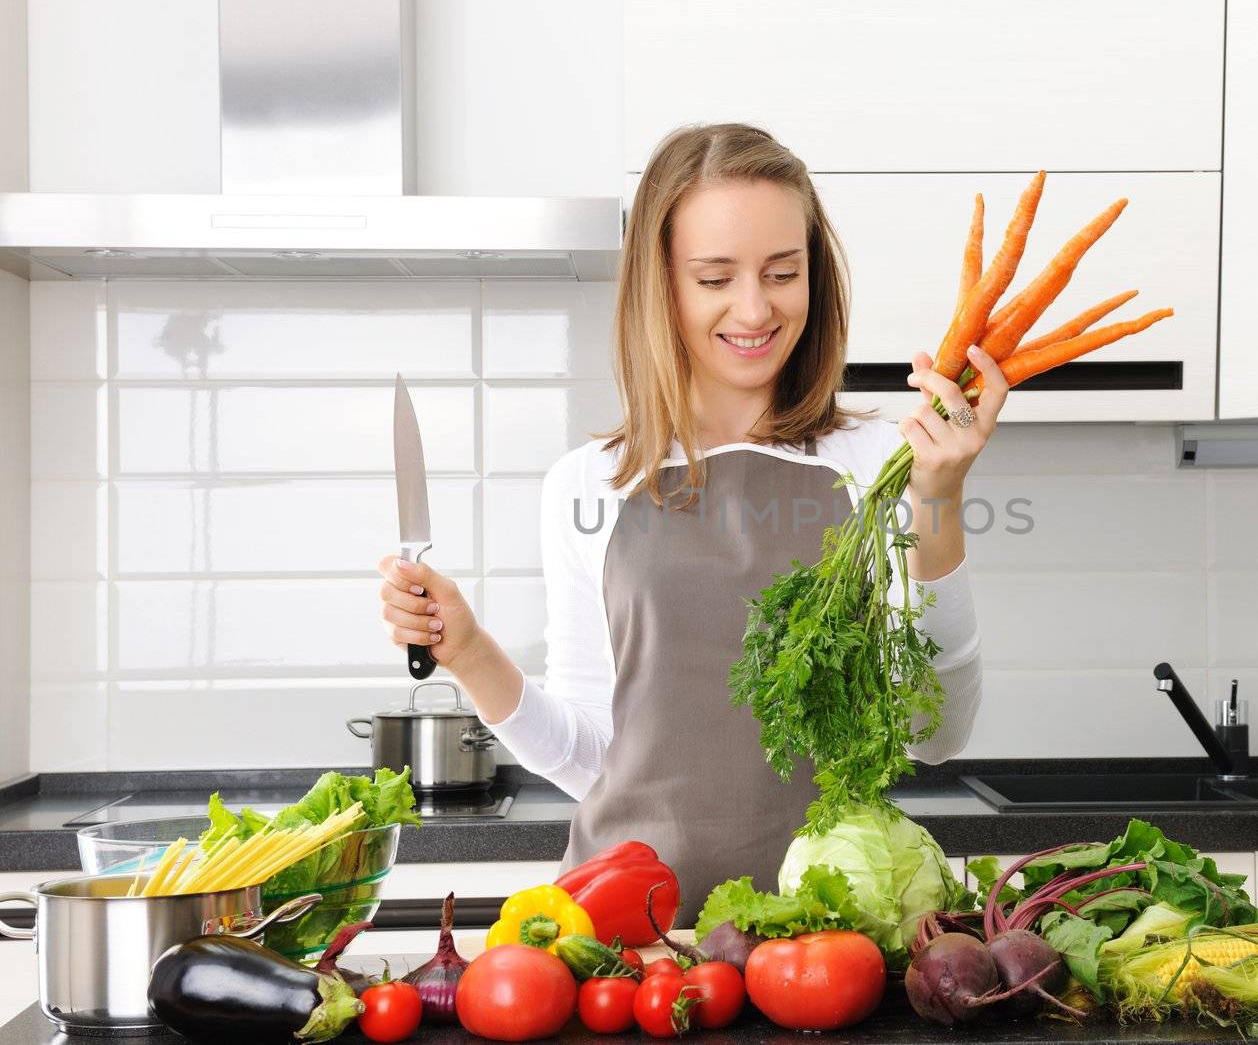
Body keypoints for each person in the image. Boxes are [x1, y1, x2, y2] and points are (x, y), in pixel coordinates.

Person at [377, 123, 1009, 917]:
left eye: (783, 271)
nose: (756, 308)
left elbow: (933, 731)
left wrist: (938, 502)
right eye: (716, 278)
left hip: (823, 941)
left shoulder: (886, 461)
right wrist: (466, 650)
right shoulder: (590, 485)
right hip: (632, 940)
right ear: (662, 285)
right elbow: (595, 759)